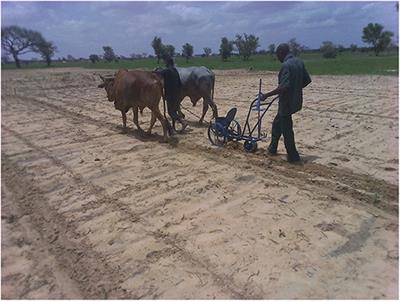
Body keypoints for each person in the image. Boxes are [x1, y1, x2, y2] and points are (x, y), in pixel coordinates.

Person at [260, 43, 311, 163]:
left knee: (287, 129)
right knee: (277, 123)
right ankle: (272, 148)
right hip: (295, 101)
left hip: (286, 103)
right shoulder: (299, 62)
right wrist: (295, 89)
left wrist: (266, 95)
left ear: (282, 52)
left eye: (277, 54)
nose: (277, 57)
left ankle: (293, 156)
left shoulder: (286, 66)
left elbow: (283, 87)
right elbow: (306, 81)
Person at [159, 57, 187, 132]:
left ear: (167, 63)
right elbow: (180, 84)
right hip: (177, 94)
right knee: (174, 110)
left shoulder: (166, 71)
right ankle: (176, 125)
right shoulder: (175, 71)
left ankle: (182, 122)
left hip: (170, 95)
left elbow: (159, 74)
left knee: (171, 112)